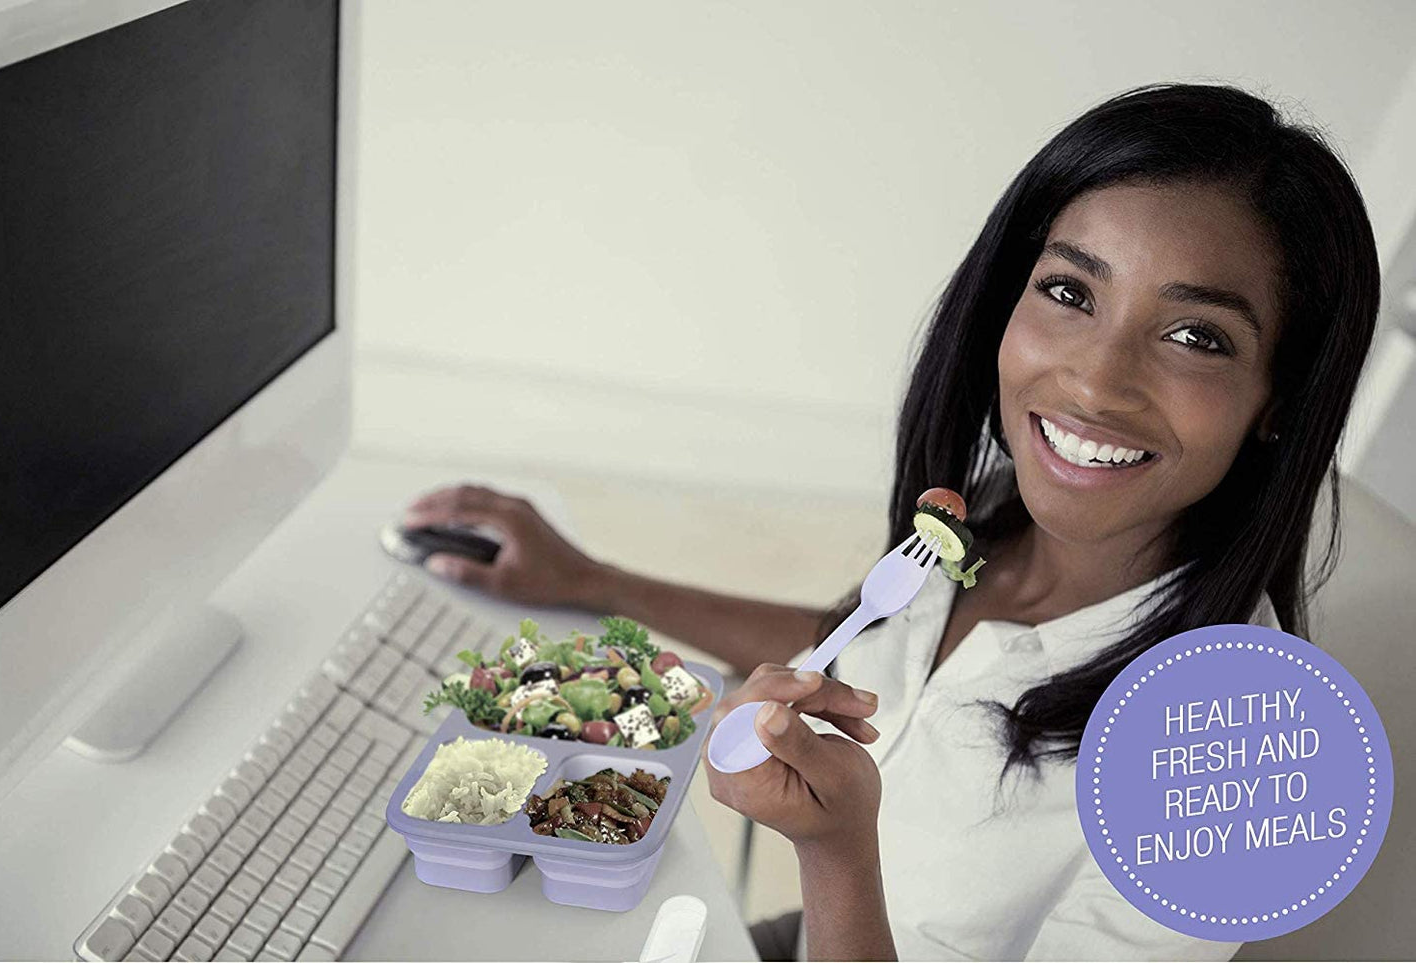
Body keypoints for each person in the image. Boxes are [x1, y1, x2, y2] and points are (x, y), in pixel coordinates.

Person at [400, 83, 1381, 960]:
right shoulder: (996, 518)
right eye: (1068, 291)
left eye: (1192, 336)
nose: (1091, 378)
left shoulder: (1237, 761)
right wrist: (590, 580)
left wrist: (833, 853)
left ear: (1279, 400)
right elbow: (854, 656)